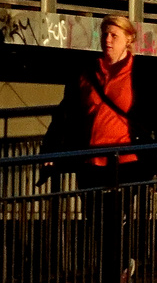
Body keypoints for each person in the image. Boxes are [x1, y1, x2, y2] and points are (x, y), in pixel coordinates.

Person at [42, 15, 151, 283]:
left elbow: (156, 116)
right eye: (105, 35)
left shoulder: (141, 73)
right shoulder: (87, 72)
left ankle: (115, 271)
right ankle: (117, 265)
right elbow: (65, 114)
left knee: (115, 218)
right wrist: (50, 151)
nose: (108, 40)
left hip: (125, 159)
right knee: (96, 221)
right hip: (91, 160)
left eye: (114, 35)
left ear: (129, 40)